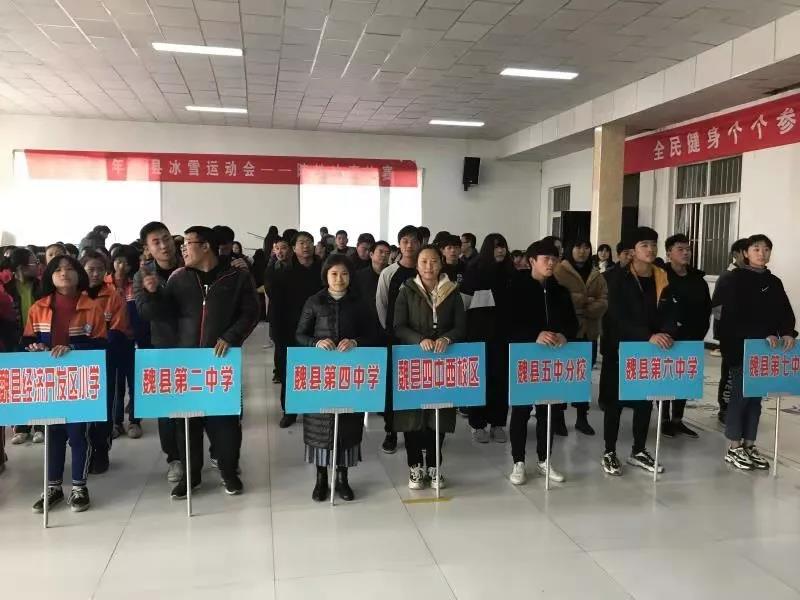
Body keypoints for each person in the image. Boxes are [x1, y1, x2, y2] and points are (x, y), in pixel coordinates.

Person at [140, 226, 259, 497]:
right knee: (187, 423)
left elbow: (251, 312)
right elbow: (163, 315)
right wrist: (153, 293)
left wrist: (231, 336)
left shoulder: (237, 276)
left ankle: (228, 472)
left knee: (225, 423)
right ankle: (191, 476)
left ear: (206, 246)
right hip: (187, 363)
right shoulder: (178, 278)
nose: (182, 248)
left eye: (188, 243)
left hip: (220, 362)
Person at [25, 255, 108, 513]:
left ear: (78, 274)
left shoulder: (91, 307)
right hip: (48, 383)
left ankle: (79, 487)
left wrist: (73, 348)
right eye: (58, 270)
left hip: (79, 381)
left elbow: (101, 345)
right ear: (50, 276)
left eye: (69, 269)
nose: (64, 273)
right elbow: (27, 341)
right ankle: (53, 487)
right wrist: (34, 347)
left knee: (78, 434)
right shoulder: (38, 307)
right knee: (53, 434)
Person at [600, 227, 677, 476]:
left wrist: (667, 332)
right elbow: (615, 316)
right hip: (621, 348)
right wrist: (647, 335)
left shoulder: (661, 276)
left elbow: (670, 310)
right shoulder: (616, 278)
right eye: (644, 245)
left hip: (650, 350)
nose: (651, 249)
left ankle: (638, 450)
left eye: (653, 244)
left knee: (645, 400)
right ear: (632, 251)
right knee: (615, 402)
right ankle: (609, 451)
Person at [296, 254, 374, 501]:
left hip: (350, 375)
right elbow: (299, 334)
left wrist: (356, 342)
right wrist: (315, 342)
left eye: (344, 274)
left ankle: (342, 478)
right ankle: (321, 478)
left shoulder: (359, 302)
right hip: (321, 376)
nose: (339, 279)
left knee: (347, 426)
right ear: (326, 276)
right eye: (334, 274)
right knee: (319, 426)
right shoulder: (314, 301)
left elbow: (374, 335)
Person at [716, 234, 796, 471]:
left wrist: (788, 332)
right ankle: (734, 447)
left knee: (756, 399)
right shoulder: (733, 280)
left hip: (765, 351)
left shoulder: (774, 282)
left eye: (766, 249)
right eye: (756, 249)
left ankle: (749, 444)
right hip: (741, 348)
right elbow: (730, 316)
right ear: (746, 253)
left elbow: (785, 311)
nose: (762, 253)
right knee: (740, 397)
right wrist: (760, 333)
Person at [393, 245, 465, 490]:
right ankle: (415, 466)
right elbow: (398, 326)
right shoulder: (406, 290)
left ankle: (435, 466)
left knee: (439, 414)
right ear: (416, 265)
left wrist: (447, 338)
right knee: (411, 417)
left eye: (434, 261)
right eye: (424, 261)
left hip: (443, 361)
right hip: (413, 362)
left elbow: (461, 326)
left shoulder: (452, 291)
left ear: (441, 263)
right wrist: (418, 339)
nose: (429, 266)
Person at [507, 239, 579, 485]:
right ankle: (518, 461)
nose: (551, 263)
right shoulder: (515, 288)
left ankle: (544, 459)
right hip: (525, 358)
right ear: (532, 261)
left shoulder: (560, 291)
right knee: (521, 410)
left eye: (554, 259)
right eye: (546, 259)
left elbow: (573, 324)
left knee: (548, 411)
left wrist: (564, 334)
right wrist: (534, 335)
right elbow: (507, 324)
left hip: (553, 360)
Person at [133, 221, 184, 483]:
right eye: (156, 242)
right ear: (148, 248)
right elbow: (145, 312)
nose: (164, 245)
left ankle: (213, 454)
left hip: (197, 344)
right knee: (168, 408)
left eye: (166, 238)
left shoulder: (190, 264)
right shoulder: (143, 275)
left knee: (205, 403)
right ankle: (174, 458)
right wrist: (152, 293)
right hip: (164, 345)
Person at [461, 233, 514, 444]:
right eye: (496, 247)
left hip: (503, 336)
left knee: (501, 381)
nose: (500, 250)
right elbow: (464, 305)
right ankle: (477, 424)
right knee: (479, 380)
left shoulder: (510, 272)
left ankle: (498, 423)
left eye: (503, 246)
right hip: (479, 336)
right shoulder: (474, 271)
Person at [554, 238, 608, 436]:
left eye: (586, 247)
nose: (582, 251)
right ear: (570, 249)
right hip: (567, 332)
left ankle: (581, 418)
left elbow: (604, 300)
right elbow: (560, 299)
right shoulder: (559, 271)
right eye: (578, 247)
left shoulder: (595, 273)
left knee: (583, 376)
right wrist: (584, 299)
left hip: (589, 331)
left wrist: (586, 307)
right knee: (562, 375)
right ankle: (558, 418)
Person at [270, 232, 324, 428]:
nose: (306, 246)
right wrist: (277, 335)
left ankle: (316, 408)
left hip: (320, 331)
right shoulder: (284, 274)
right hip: (290, 330)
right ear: (294, 248)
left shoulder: (324, 270)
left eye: (309, 242)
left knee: (317, 372)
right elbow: (276, 308)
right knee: (290, 373)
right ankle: (290, 411)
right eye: (301, 243)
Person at [376, 225, 422, 453]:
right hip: (395, 340)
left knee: (417, 385)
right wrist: (391, 331)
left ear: (420, 244)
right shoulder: (389, 273)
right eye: (405, 241)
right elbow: (382, 305)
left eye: (414, 241)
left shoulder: (426, 270)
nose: (409, 245)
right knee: (392, 387)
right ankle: (391, 431)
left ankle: (416, 431)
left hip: (422, 341)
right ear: (399, 244)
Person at [81, 250, 127, 474]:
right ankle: (83, 450)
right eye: (91, 269)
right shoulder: (74, 296)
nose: (96, 273)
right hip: (78, 361)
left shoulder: (113, 296)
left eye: (100, 269)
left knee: (103, 407)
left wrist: (98, 345)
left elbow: (118, 328)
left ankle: (101, 450)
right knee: (82, 408)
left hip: (105, 359)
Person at [662, 233, 711, 438]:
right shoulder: (661, 276)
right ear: (669, 253)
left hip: (692, 337)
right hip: (667, 339)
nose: (685, 253)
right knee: (666, 378)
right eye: (680, 249)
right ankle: (664, 419)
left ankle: (677, 419)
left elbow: (706, 308)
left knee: (683, 379)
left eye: (688, 249)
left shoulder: (697, 279)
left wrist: (700, 333)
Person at [4, 248, 45, 444]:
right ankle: (21, 427)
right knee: (19, 385)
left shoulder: (41, 286)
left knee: (39, 383)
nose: (38, 266)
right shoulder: (6, 289)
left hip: (38, 339)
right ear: (21, 267)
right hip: (14, 341)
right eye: (34, 262)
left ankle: (40, 426)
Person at [106, 245, 143, 439]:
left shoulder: (137, 284)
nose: (122, 266)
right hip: (112, 341)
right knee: (116, 383)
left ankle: (135, 421)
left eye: (127, 263)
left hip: (134, 340)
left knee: (136, 381)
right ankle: (116, 421)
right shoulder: (104, 284)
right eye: (118, 261)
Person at [711, 238, 749, 423]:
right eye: (746, 251)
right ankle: (725, 409)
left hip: (747, 334)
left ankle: (740, 408)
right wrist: (722, 334)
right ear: (737, 254)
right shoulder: (728, 276)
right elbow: (717, 307)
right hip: (731, 335)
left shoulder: (749, 275)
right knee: (730, 374)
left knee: (742, 373)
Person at [353, 240, 391, 331]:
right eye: (380, 252)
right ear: (371, 254)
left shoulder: (393, 274)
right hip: (365, 323)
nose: (384, 255)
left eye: (387, 253)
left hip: (388, 322)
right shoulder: (359, 276)